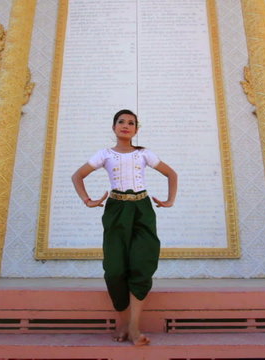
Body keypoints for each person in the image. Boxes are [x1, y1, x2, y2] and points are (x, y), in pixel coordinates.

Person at [71, 109, 177, 346]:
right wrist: (88, 200)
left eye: (131, 123)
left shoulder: (144, 154)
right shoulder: (105, 154)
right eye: (121, 122)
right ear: (114, 127)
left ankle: (134, 327)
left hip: (142, 209)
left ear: (136, 130)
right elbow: (77, 176)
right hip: (116, 209)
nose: (126, 125)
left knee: (141, 263)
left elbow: (171, 174)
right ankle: (123, 323)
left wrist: (169, 201)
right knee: (115, 268)